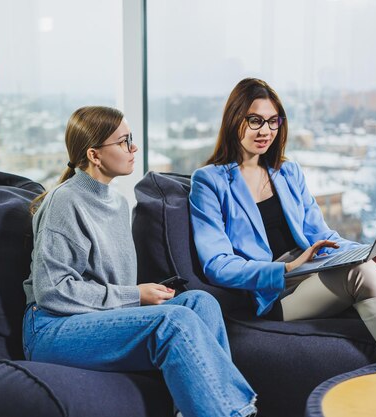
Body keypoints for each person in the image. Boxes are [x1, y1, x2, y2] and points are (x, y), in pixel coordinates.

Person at [189, 78, 376, 364]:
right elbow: (217, 264)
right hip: (274, 291)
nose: (265, 130)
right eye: (255, 120)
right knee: (365, 276)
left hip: (313, 271)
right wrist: (285, 268)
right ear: (235, 120)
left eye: (273, 120)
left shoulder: (287, 172)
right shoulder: (209, 181)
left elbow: (322, 234)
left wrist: (371, 253)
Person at [22, 106, 257, 417]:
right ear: (94, 155)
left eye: (131, 138)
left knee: (202, 304)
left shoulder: (118, 204)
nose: (134, 148)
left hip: (90, 318)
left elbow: (112, 289)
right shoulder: (64, 202)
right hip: (51, 327)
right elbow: (53, 292)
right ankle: (232, 413)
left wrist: (144, 297)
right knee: (173, 322)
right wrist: (136, 295)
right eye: (123, 142)